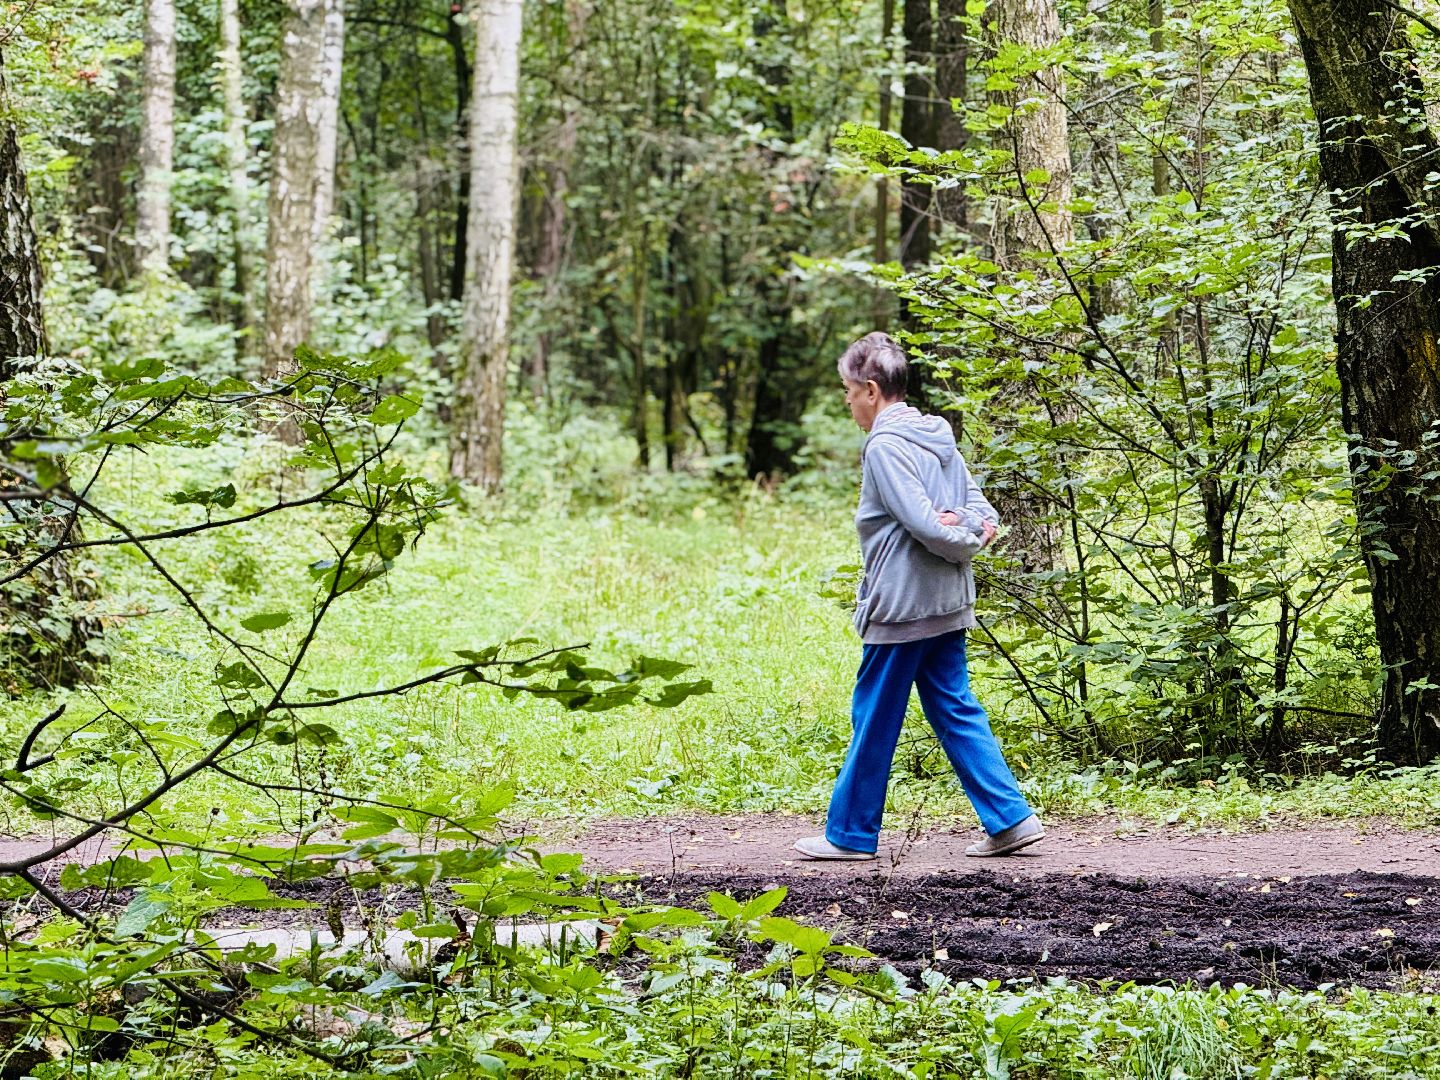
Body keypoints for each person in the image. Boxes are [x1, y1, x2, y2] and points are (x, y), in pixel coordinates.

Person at [794, 332, 1044, 861]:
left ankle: (850, 835)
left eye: (847, 391)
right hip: (947, 602)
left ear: (870, 388)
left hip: (903, 605)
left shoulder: (885, 446)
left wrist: (962, 538)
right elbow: (978, 513)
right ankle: (1011, 819)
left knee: (875, 714)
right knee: (955, 706)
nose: (847, 403)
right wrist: (972, 531)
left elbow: (930, 524)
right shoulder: (938, 436)